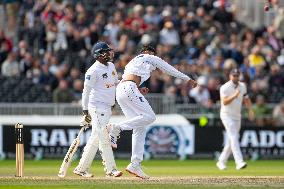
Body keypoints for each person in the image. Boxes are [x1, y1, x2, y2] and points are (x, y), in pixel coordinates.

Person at [107, 45, 197, 179]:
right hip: (128, 88)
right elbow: (169, 69)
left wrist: (138, 89)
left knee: (140, 126)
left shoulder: (134, 62)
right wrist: (187, 79)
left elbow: (127, 79)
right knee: (150, 117)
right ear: (148, 53)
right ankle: (117, 128)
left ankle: (135, 164)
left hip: (122, 89)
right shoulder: (148, 57)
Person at [73, 41, 122, 177]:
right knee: (104, 138)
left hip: (107, 108)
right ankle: (111, 169)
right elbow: (86, 92)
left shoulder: (111, 65)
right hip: (96, 107)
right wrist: (85, 111)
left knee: (95, 138)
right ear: (99, 55)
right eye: (106, 51)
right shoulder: (92, 71)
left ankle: (81, 169)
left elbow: (115, 83)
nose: (109, 53)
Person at [217, 69, 254, 170]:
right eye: (234, 75)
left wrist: (250, 110)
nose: (235, 77)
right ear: (230, 76)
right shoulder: (225, 87)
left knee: (231, 140)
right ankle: (239, 162)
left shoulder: (243, 86)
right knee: (234, 137)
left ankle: (221, 161)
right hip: (226, 115)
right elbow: (224, 102)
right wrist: (234, 95)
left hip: (237, 116)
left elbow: (246, 99)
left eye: (237, 75)